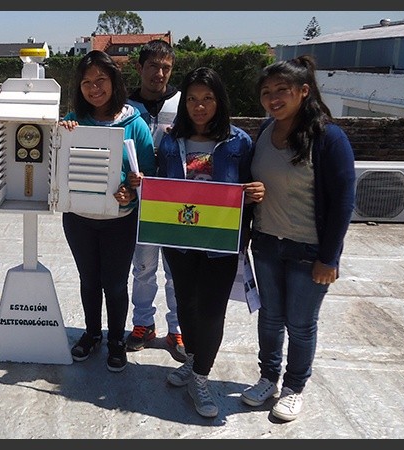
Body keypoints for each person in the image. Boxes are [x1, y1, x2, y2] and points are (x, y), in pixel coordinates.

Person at [241, 55, 355, 422]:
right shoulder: (264, 131)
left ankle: (293, 388)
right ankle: (268, 378)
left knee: (301, 324)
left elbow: (343, 202)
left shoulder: (328, 138)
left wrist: (330, 258)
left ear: (303, 91)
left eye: (281, 90)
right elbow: (255, 183)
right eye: (266, 92)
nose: (273, 98)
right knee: (270, 318)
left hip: (308, 249)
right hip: (267, 244)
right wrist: (250, 194)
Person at [157, 67, 264, 418]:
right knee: (186, 304)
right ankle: (192, 360)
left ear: (220, 101)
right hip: (179, 241)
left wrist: (254, 194)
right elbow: (161, 184)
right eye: (192, 99)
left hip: (220, 243)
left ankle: (201, 378)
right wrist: (143, 183)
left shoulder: (239, 142)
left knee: (212, 310)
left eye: (207, 99)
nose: (199, 106)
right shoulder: (170, 140)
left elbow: (250, 185)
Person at [59, 50, 156, 373]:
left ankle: (116, 339)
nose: (94, 88)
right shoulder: (74, 121)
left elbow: (148, 174)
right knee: (89, 281)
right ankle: (92, 333)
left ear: (114, 81)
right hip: (79, 219)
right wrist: (62, 131)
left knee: (115, 284)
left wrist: (133, 188)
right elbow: (58, 161)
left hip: (119, 220)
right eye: (86, 82)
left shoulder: (136, 124)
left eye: (101, 80)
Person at [124, 39, 185, 360]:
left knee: (176, 271)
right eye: (153, 66)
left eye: (166, 68)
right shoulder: (125, 106)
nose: (159, 73)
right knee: (143, 268)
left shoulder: (183, 102)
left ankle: (178, 329)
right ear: (140, 67)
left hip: (177, 202)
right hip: (141, 201)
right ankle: (143, 324)